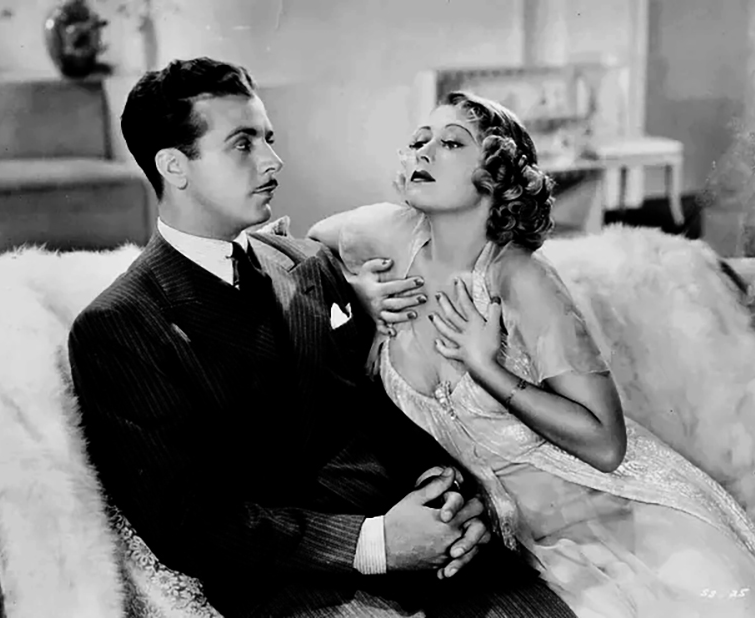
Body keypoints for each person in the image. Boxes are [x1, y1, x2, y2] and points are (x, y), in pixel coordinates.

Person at [67, 57, 578, 618]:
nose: (273, 160)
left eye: (268, 138)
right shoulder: (120, 324)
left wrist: (452, 493)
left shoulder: (308, 261)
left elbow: (373, 403)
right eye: (243, 144)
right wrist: (376, 545)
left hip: (435, 544)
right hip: (300, 582)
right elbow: (188, 521)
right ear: (174, 166)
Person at [307, 90, 755, 617]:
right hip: (516, 542)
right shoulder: (388, 232)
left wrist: (486, 369)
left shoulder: (521, 279)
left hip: (612, 518)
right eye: (418, 140)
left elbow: (606, 445)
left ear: (494, 177)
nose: (422, 152)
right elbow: (306, 242)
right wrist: (359, 290)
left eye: (451, 143)